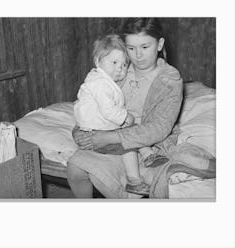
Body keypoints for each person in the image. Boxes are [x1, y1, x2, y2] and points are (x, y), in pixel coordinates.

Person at [67, 18, 183, 198]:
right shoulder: (118, 70)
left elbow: (159, 128)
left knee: (139, 179)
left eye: (145, 47)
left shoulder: (170, 79)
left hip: (147, 143)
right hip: (110, 133)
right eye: (131, 48)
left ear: (159, 44)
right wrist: (80, 130)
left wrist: (107, 137)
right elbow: (94, 101)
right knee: (75, 166)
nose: (138, 55)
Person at [74, 34, 152, 195]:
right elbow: (109, 110)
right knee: (127, 143)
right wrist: (125, 116)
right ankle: (134, 180)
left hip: (97, 128)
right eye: (114, 62)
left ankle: (146, 151)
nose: (119, 68)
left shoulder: (103, 81)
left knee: (131, 131)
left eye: (124, 65)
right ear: (97, 62)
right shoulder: (100, 83)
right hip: (95, 133)